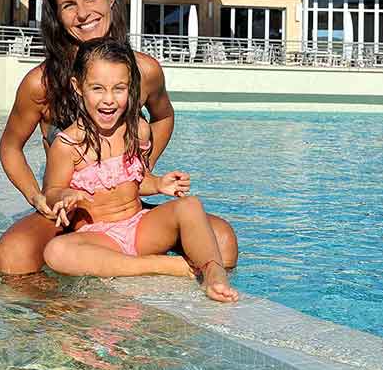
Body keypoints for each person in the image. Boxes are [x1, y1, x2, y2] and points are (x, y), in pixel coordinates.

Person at [0, 0, 238, 275]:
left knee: (223, 240)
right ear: (56, 14)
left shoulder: (144, 70)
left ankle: (204, 290)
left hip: (126, 210)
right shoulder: (42, 83)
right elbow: (10, 147)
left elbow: (163, 117)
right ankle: (61, 306)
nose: (83, 13)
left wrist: (140, 173)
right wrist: (37, 196)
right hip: (68, 211)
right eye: (69, 5)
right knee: (13, 254)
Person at [41, 39, 237, 302]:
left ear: (130, 87)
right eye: (97, 89)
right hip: (99, 237)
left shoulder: (137, 130)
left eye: (119, 89)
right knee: (56, 251)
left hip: (140, 228)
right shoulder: (67, 145)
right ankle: (163, 266)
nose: (109, 100)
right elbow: (51, 191)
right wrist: (63, 195)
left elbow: (135, 179)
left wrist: (158, 184)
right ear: (78, 87)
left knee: (190, 205)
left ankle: (214, 272)